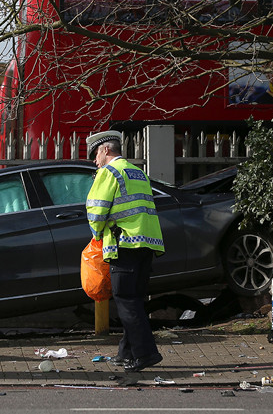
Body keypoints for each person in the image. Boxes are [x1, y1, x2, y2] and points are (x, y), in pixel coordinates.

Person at [85, 131, 165, 372]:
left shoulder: (108, 172)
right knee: (135, 300)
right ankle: (125, 352)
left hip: (124, 243)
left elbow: (96, 210)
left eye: (95, 154)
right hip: (147, 243)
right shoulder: (137, 172)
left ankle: (146, 353)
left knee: (126, 300)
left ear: (105, 150)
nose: (95, 161)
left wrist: (97, 234)